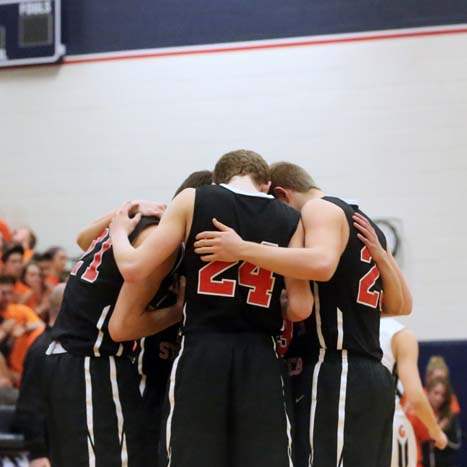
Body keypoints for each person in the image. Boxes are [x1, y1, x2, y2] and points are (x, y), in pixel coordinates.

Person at [192, 161, 412, 467]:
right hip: (374, 374)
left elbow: (322, 265)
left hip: (337, 368)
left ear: (282, 195)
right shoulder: (364, 222)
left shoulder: (317, 210)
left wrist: (242, 248)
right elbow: (400, 306)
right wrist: (384, 258)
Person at [110, 149, 314, 467]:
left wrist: (118, 233)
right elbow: (301, 308)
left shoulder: (194, 199)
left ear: (218, 180)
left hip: (202, 350)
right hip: (261, 355)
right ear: (266, 184)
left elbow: (133, 268)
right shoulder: (290, 218)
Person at [43, 171, 210, 467]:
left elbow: (83, 239)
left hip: (66, 357)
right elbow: (122, 328)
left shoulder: (137, 221)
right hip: (90, 357)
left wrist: (127, 208)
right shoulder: (161, 244)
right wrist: (177, 311)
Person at [379, 318, 447, 467]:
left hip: (351, 420)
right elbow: (416, 397)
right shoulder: (399, 334)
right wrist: (436, 431)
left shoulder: (347, 327)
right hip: (389, 422)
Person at [14, 282, 66, 467]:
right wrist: (37, 452)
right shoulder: (42, 348)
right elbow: (29, 405)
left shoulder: (66, 344)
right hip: (49, 451)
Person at [0, 275, 44, 382]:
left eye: (10, 293)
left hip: (23, 365)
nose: (6, 297)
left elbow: (41, 326)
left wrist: (24, 328)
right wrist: (5, 331)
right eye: (3, 293)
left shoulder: (20, 310)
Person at [422, 378, 462, 467]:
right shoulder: (419, 413)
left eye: (443, 395)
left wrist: (442, 435)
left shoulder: (449, 415)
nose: (439, 398)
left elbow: (456, 444)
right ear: (427, 392)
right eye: (436, 393)